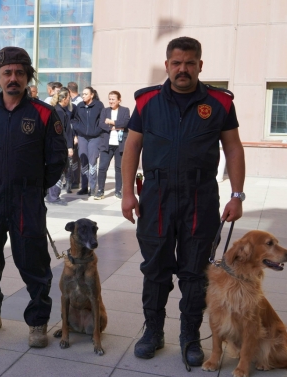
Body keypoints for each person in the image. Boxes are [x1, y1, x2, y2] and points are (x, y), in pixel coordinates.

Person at [121, 36, 245, 367]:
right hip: (156, 197)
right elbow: (132, 147)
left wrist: (236, 194)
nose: (183, 69)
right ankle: (154, 332)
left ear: (200, 66)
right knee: (155, 268)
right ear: (167, 66)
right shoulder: (147, 102)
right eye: (176, 63)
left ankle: (190, 336)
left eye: (190, 63)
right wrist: (127, 193)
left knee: (195, 271)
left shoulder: (219, 102)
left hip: (200, 197)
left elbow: (233, 147)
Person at [0, 46, 67, 348]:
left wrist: (33, 186)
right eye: (7, 73)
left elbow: (58, 159)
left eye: (19, 73)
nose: (13, 78)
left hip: (28, 200)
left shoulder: (45, 114)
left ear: (27, 77)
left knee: (33, 262)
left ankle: (37, 322)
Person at [94, 91, 130, 200]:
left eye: (113, 99)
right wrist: (113, 127)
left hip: (120, 145)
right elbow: (101, 124)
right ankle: (100, 190)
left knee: (119, 168)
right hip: (106, 144)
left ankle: (118, 190)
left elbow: (126, 123)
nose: (111, 101)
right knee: (102, 168)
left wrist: (111, 122)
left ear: (119, 100)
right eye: (109, 99)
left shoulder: (125, 110)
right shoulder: (105, 110)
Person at [72, 86, 104, 197]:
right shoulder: (79, 106)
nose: (83, 96)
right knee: (83, 160)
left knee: (92, 161)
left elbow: (102, 119)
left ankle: (93, 187)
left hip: (95, 137)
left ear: (92, 95)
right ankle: (84, 187)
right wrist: (78, 128)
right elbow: (74, 119)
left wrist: (98, 129)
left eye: (86, 94)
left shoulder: (99, 105)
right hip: (82, 137)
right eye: (83, 94)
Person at [46, 87, 74, 205]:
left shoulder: (57, 110)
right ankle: (53, 196)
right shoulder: (60, 112)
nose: (69, 100)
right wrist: (69, 147)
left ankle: (51, 195)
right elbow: (61, 132)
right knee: (59, 171)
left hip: (55, 146)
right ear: (65, 99)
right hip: (59, 147)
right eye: (68, 98)